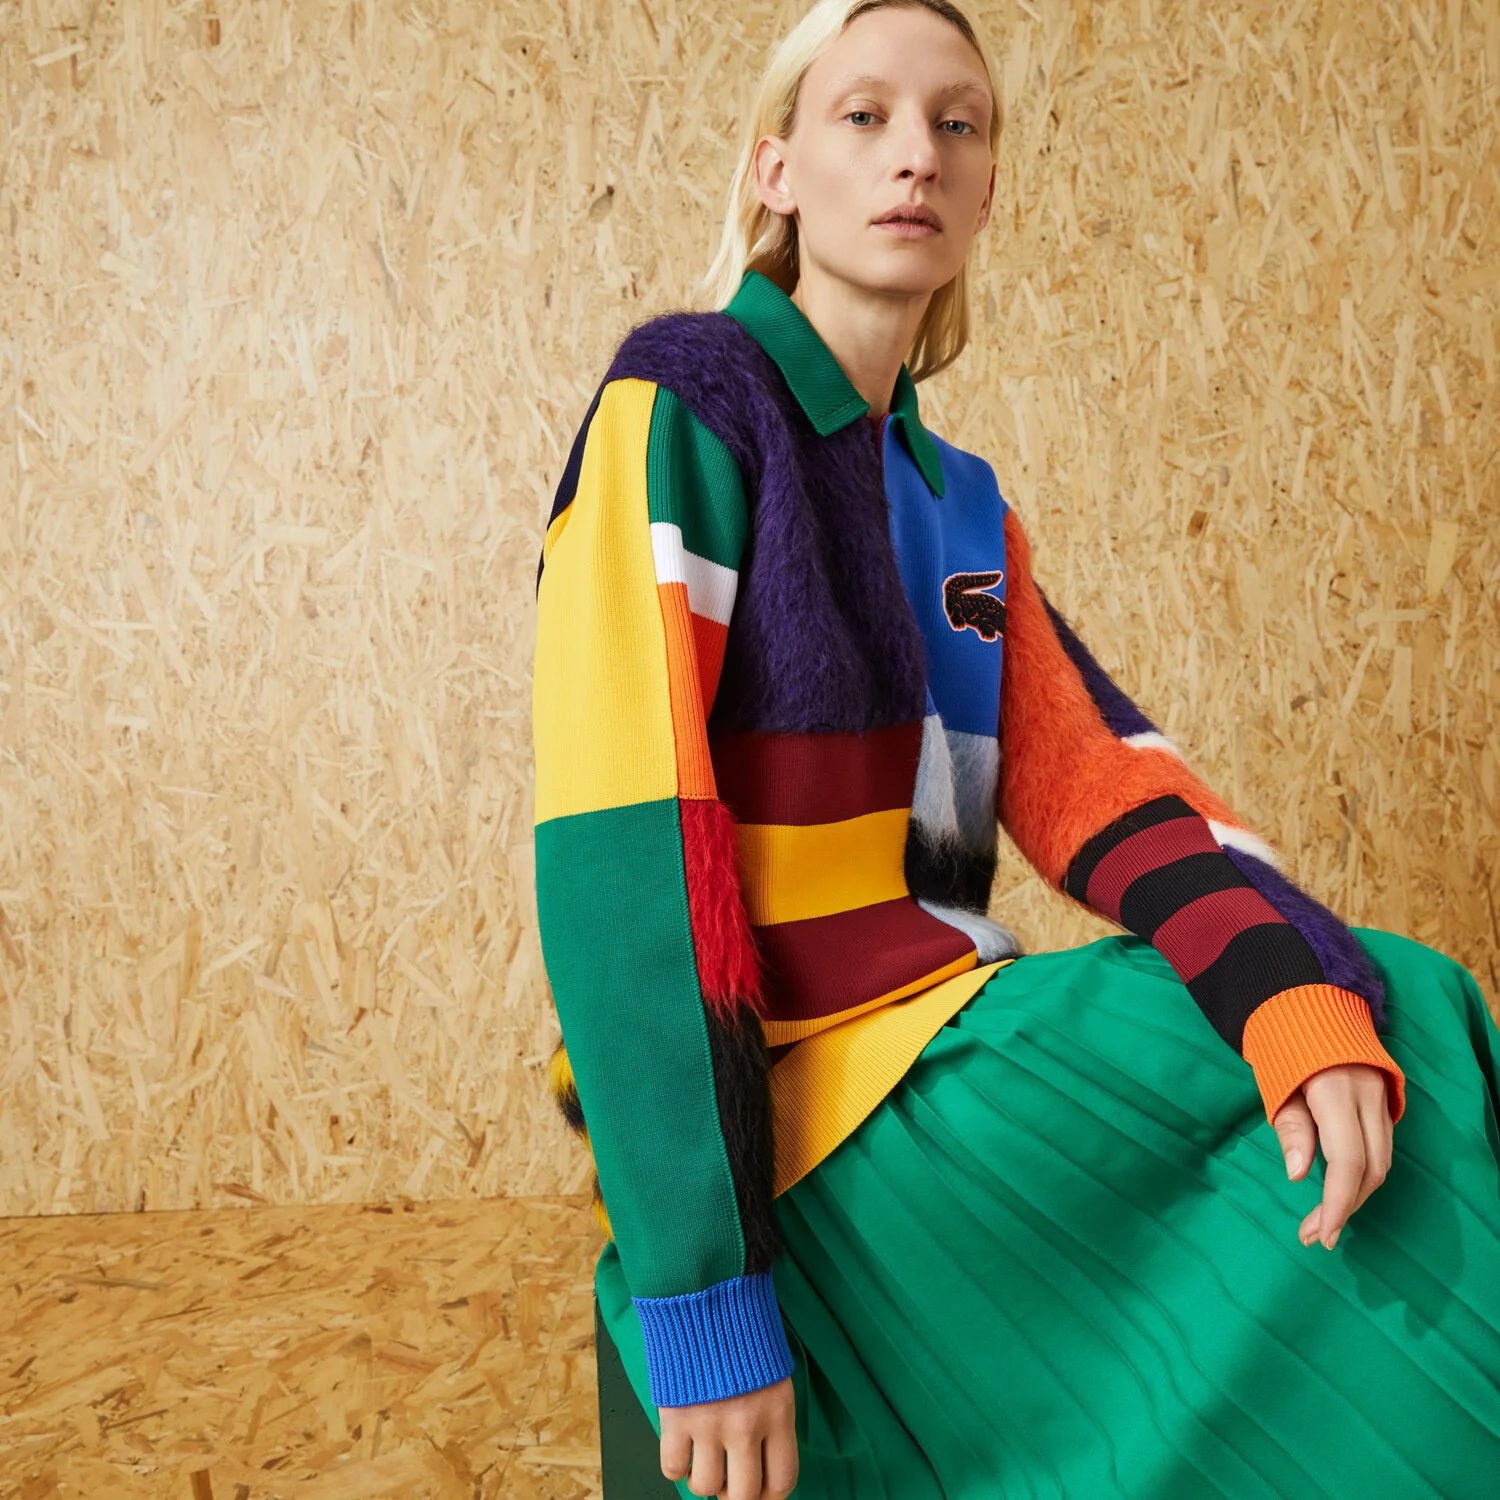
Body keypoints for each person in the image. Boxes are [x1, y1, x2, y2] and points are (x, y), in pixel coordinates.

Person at [530, 2, 1500, 1496]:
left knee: (1404, 1012)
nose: (914, 153)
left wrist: (1292, 989)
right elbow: (624, 871)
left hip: (949, 1032)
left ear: (986, 193)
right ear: (775, 170)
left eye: (957, 123)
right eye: (863, 117)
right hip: (812, 1094)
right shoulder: (682, 408)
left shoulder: (958, 503)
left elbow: (1101, 783)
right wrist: (708, 1300)